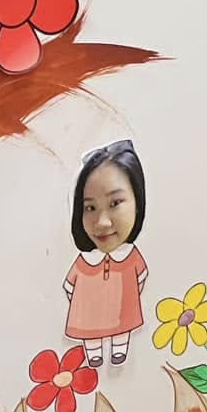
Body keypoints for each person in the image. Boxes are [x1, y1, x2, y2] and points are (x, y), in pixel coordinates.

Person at [63, 141, 148, 367]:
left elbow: (141, 277)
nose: (101, 222)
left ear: (138, 201)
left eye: (115, 203)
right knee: (90, 337)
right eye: (90, 208)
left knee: (122, 330)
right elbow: (69, 286)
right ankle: (94, 354)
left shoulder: (130, 256)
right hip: (88, 316)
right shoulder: (85, 260)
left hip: (122, 314)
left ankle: (119, 349)